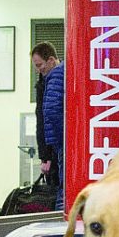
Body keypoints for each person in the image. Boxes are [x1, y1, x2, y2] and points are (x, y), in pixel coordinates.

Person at [31, 42, 61, 182]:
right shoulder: (43, 83)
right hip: (55, 149)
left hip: (56, 150)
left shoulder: (53, 82)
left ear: (50, 60)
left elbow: (47, 120)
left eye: (39, 65)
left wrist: (47, 157)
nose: (38, 70)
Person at [41, 54, 66, 209]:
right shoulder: (61, 72)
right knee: (65, 193)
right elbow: (51, 110)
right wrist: (65, 136)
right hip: (65, 143)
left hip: (63, 142)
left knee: (65, 190)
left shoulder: (59, 72)